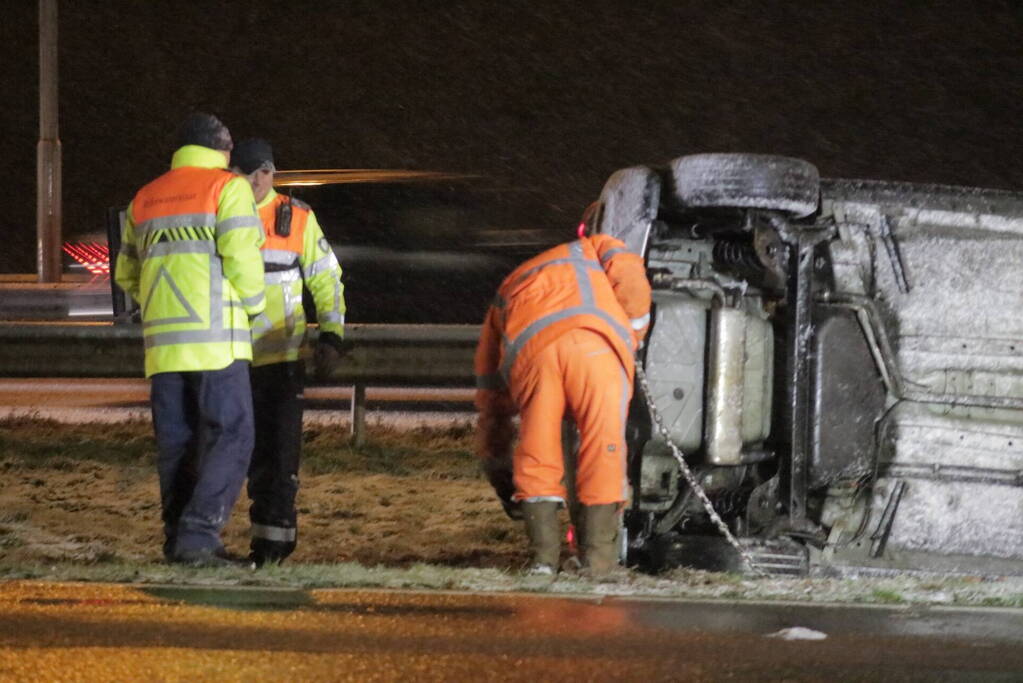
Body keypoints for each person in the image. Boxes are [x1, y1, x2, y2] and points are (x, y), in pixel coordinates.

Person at [114, 112, 267, 567]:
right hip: (217, 340)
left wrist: (162, 305)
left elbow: (126, 272)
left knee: (177, 445)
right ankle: (199, 536)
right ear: (224, 148)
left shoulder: (146, 197)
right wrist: (255, 307)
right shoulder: (227, 188)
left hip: (164, 347)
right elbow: (240, 258)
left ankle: (176, 539)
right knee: (233, 435)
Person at [473, 203, 651, 577]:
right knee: (603, 447)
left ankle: (542, 561)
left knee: (537, 450)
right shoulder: (596, 248)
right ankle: (599, 561)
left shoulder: (510, 285)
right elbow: (631, 277)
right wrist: (634, 331)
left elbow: (490, 395)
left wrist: (498, 468)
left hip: (533, 355)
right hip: (595, 347)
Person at [229, 138, 347, 567]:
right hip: (230, 358)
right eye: (249, 172)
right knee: (229, 459)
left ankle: (272, 548)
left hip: (279, 362)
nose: (259, 180)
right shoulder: (222, 211)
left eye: (265, 171)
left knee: (278, 465)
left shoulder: (296, 217)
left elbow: (326, 279)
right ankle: (206, 544)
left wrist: (331, 335)